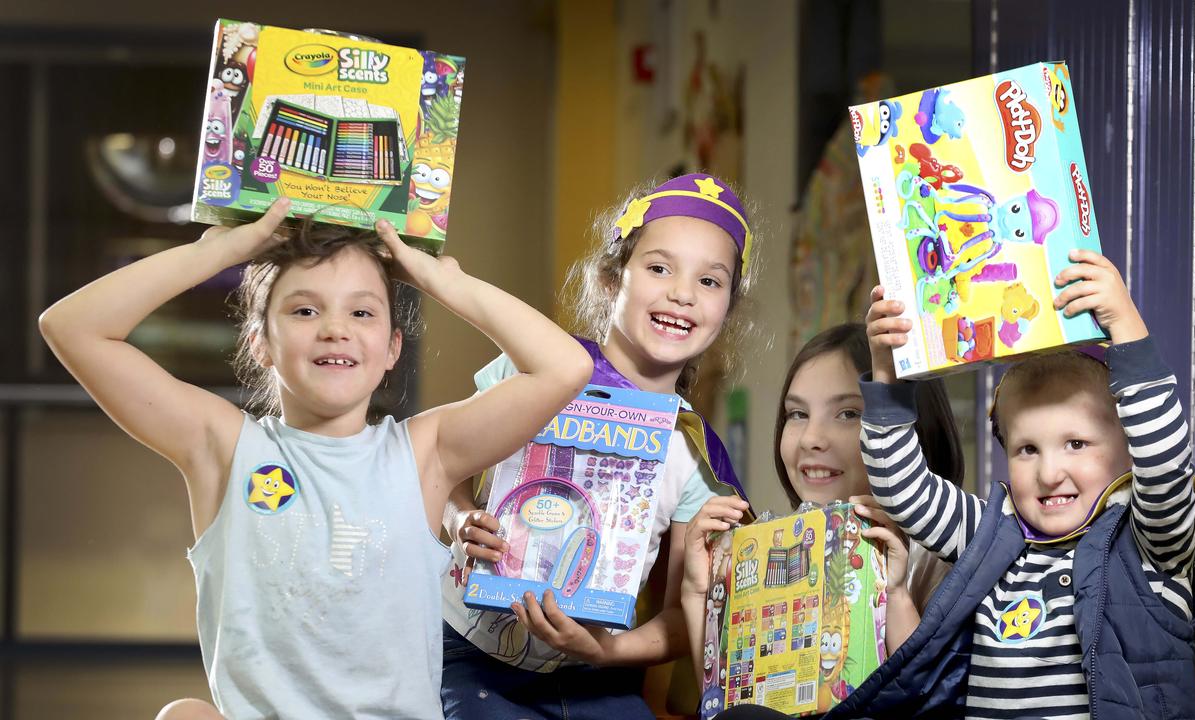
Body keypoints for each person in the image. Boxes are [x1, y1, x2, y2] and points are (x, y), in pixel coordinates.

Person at [38, 199, 593, 720]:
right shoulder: (225, 447)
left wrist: (437, 279)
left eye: (362, 311)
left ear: (392, 348)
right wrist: (218, 254)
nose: (336, 327)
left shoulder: (425, 454)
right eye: (305, 309)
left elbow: (563, 367)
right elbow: (71, 327)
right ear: (261, 342)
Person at [835, 248, 1195, 718]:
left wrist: (1126, 327)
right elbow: (901, 489)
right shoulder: (991, 535)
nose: (1048, 472)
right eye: (1027, 449)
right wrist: (887, 374)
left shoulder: (1151, 541)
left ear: (1130, 447)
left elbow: (1165, 462)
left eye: (1077, 444)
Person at [439, 173, 757, 719]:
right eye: (659, 268)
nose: (682, 293)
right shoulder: (536, 370)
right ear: (612, 279)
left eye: (710, 282)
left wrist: (604, 650)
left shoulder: (696, 455)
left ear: (728, 306)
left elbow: (686, 618)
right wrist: (460, 520)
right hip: (472, 658)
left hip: (596, 676)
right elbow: (444, 467)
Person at [681, 322, 964, 713]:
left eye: (848, 413)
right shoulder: (772, 549)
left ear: (906, 427)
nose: (812, 437)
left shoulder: (934, 559)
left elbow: (927, 702)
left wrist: (895, 594)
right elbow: (722, 702)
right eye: (797, 414)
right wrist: (699, 591)